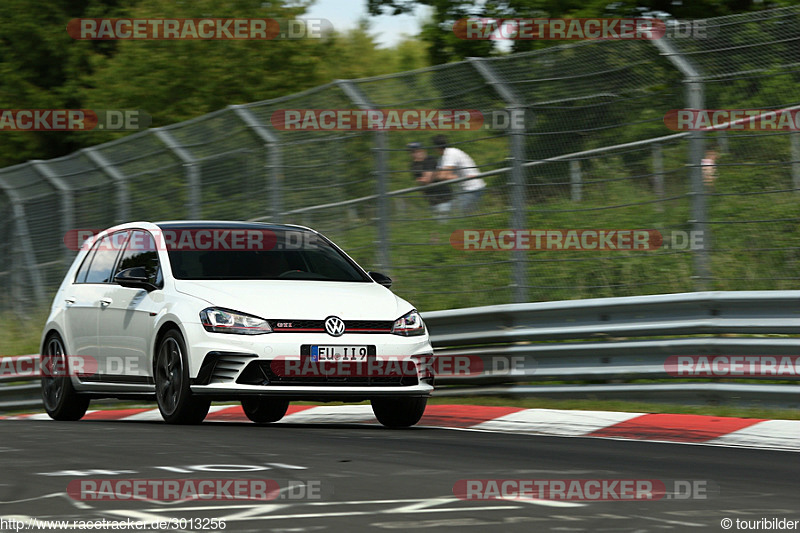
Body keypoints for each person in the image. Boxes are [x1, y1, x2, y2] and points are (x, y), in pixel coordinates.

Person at [432, 135, 486, 213]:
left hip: (473, 188)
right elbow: (437, 175)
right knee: (457, 213)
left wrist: (446, 176)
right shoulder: (443, 158)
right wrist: (447, 176)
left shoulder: (450, 153)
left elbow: (443, 175)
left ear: (435, 148)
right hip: (465, 189)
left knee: (459, 214)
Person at [408, 141, 452, 217]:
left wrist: (424, 179)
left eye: (417, 151)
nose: (414, 154)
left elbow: (427, 180)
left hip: (444, 198)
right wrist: (424, 180)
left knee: (444, 222)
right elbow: (421, 181)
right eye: (412, 152)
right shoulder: (414, 165)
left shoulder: (430, 159)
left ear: (423, 151)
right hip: (431, 200)